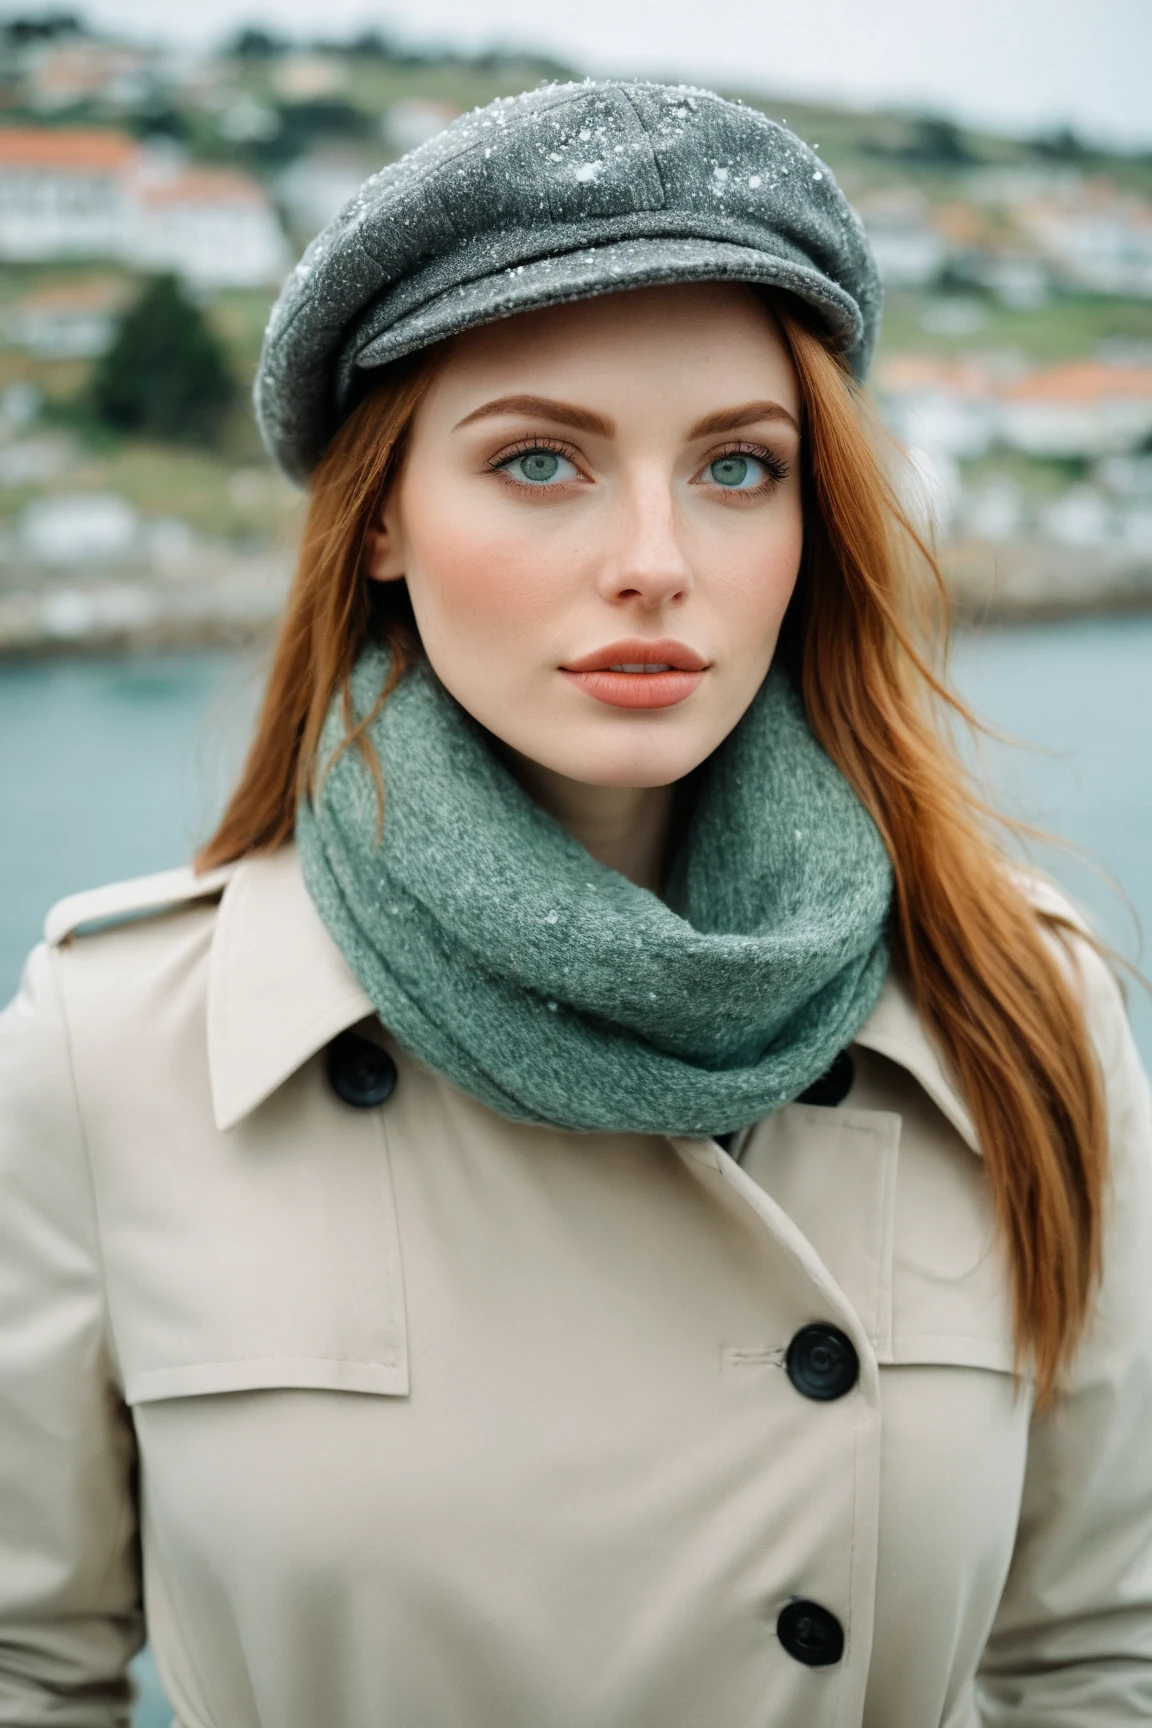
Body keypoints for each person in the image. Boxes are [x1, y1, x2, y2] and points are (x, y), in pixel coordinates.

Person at [1, 79, 1150, 1728]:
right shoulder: (110, 1047)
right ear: (382, 515)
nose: (657, 558)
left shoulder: (1017, 1004)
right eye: (542, 459)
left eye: (739, 468)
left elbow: (1104, 1659)